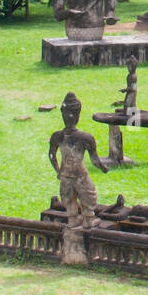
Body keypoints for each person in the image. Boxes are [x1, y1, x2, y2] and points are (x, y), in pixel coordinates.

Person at [48, 92, 108, 227]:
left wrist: (58, 170)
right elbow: (95, 160)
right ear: (77, 116)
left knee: (69, 200)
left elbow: (52, 156)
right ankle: (88, 219)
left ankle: (73, 220)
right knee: (88, 197)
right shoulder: (85, 138)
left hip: (65, 175)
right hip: (80, 175)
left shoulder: (57, 136)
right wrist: (103, 168)